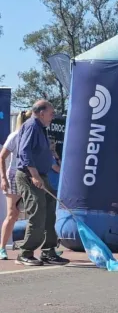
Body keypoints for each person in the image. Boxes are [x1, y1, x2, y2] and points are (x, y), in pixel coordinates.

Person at [14, 100, 68, 266]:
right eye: (51, 113)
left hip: (41, 175)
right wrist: (35, 175)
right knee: (37, 210)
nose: (53, 117)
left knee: (51, 208)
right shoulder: (31, 126)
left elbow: (43, 153)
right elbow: (25, 152)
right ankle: (25, 253)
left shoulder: (41, 128)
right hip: (29, 175)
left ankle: (48, 251)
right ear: (41, 112)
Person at [0, 110, 32, 260]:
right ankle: (2, 248)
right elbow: (2, 156)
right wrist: (3, 178)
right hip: (13, 175)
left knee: (39, 213)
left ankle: (45, 248)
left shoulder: (35, 135)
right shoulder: (15, 136)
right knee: (12, 214)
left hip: (30, 176)